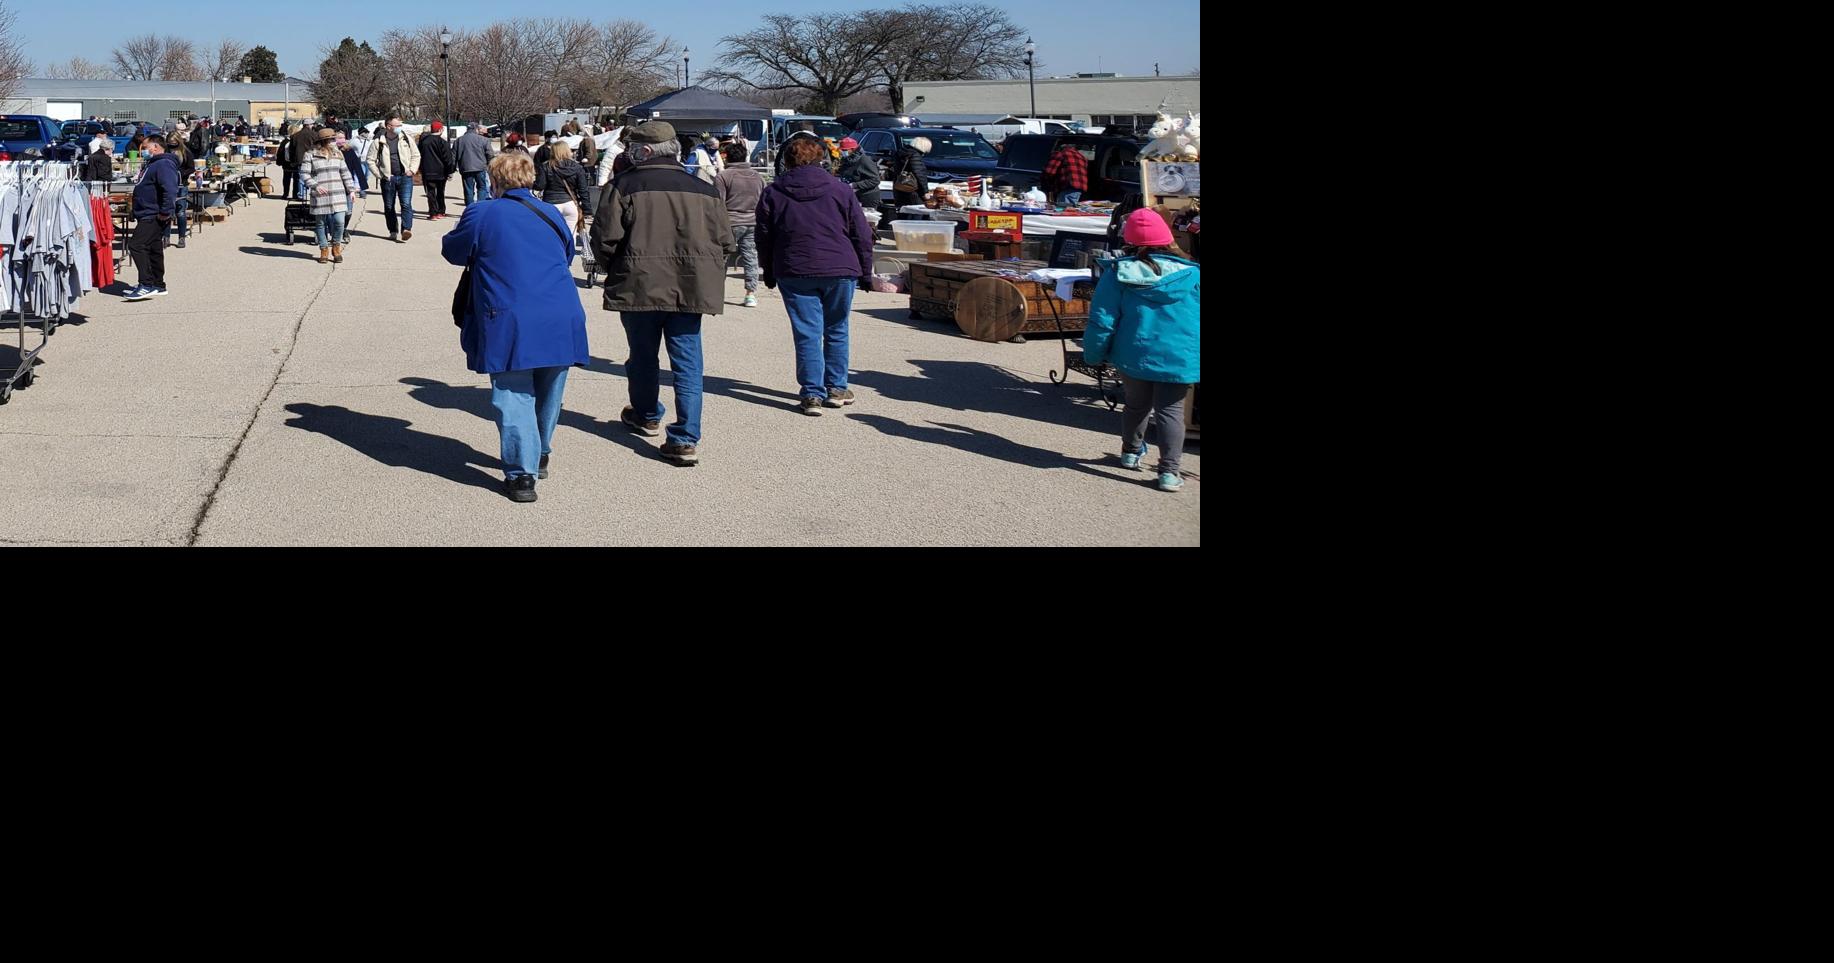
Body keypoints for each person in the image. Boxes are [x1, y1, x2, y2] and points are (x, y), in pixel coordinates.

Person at [442, 151, 590, 503]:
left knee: (513, 392)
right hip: (560, 310)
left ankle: (522, 472)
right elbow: (566, 254)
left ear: (494, 180)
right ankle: (538, 452)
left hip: (508, 314)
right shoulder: (552, 213)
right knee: (550, 389)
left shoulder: (483, 212)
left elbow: (453, 251)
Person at [590, 121, 734, 467]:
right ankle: (684, 436)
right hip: (691, 283)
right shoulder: (705, 189)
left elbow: (604, 240)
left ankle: (647, 413)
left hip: (639, 282)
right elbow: (726, 243)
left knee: (642, 355)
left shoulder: (623, 186)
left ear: (643, 151)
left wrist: (614, 266)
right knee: (687, 361)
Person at [1081, 210, 1200, 493]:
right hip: (1179, 355)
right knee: (1171, 412)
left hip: (1133, 353)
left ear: (1129, 240)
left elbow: (1102, 320)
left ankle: (1130, 453)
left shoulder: (1117, 273)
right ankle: (1169, 473)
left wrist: (1094, 354)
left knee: (1136, 405)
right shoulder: (1193, 274)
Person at [756, 136, 874, 415]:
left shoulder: (774, 192)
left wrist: (769, 270)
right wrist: (866, 271)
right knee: (837, 328)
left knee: (807, 331)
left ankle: (812, 393)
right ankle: (836, 387)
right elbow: (861, 233)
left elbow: (763, 236)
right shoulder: (840, 190)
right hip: (839, 266)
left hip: (794, 267)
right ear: (822, 159)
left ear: (786, 160)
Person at [123, 135, 178, 302]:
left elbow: (169, 189)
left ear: (155, 147)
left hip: (153, 213)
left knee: (137, 245)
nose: (143, 150)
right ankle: (157, 284)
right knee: (154, 248)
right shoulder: (152, 164)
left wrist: (166, 211)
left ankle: (146, 284)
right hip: (146, 212)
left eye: (145, 147)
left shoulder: (163, 164)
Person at [716, 143, 763, 307]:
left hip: (729, 221)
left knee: (721, 257)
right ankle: (750, 293)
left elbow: (718, 202)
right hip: (752, 220)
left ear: (727, 157)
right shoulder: (757, 176)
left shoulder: (724, 176)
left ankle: (716, 292)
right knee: (750, 257)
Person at [302, 128, 358, 264]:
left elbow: (345, 173)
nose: (335, 141)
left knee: (340, 221)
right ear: (324, 141)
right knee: (320, 223)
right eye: (332, 139)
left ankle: (336, 246)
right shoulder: (310, 155)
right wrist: (315, 185)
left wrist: (351, 190)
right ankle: (324, 249)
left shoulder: (338, 153)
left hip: (338, 193)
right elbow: (304, 174)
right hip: (320, 194)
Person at [365, 115, 420, 242]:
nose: (400, 128)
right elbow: (370, 160)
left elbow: (416, 155)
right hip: (388, 179)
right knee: (389, 206)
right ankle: (393, 230)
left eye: (401, 125)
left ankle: (406, 229)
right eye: (398, 126)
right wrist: (380, 175)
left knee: (406, 204)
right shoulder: (378, 141)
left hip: (405, 176)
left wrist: (412, 169)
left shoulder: (406, 138)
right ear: (389, 126)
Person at [531, 140, 590, 231]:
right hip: (570, 204)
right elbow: (583, 190)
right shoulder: (577, 167)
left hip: (550, 204)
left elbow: (540, 186)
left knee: (552, 236)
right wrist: (587, 209)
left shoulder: (546, 166)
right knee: (570, 237)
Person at [418, 121, 456, 220]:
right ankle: (441, 211)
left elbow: (419, 156)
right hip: (441, 171)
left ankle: (433, 213)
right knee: (440, 192)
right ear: (440, 130)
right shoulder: (443, 142)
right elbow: (447, 158)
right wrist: (450, 171)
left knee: (430, 193)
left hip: (428, 170)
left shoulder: (424, 142)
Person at [834, 136, 882, 213]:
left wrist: (854, 185)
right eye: (842, 150)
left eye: (844, 150)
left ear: (852, 149)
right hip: (853, 195)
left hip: (867, 197)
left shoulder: (864, 160)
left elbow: (875, 180)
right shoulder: (847, 159)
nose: (842, 152)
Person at [885, 135, 930, 212]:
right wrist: (925, 191)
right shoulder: (915, 155)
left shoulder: (901, 153)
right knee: (917, 212)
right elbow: (919, 174)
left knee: (902, 211)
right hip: (912, 189)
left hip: (900, 186)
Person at [456, 121, 495, 205]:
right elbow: (490, 154)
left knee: (468, 189)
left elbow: (453, 156)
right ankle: (480, 206)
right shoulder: (484, 140)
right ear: (476, 129)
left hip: (465, 167)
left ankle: (469, 208)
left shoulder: (459, 140)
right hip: (480, 167)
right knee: (482, 187)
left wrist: (452, 168)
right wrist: (489, 164)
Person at [165, 138, 195, 250]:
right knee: (167, 211)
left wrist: (181, 174)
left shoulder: (185, 152)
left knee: (180, 212)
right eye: (170, 144)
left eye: (174, 144)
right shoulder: (166, 151)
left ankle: (181, 237)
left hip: (181, 184)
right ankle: (166, 237)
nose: (172, 146)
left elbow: (191, 168)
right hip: (167, 184)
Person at [1041, 140, 1089, 206]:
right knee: (1071, 207)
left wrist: (1045, 183)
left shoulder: (1061, 154)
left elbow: (1049, 172)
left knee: (1064, 209)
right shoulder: (1082, 156)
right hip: (1080, 187)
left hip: (1068, 185)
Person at [338, 135, 366, 236]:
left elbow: (357, 168)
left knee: (348, 211)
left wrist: (358, 185)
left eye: (342, 138)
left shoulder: (349, 151)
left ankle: (343, 228)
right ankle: (338, 231)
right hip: (335, 185)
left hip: (348, 185)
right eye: (338, 138)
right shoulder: (330, 152)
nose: (340, 140)